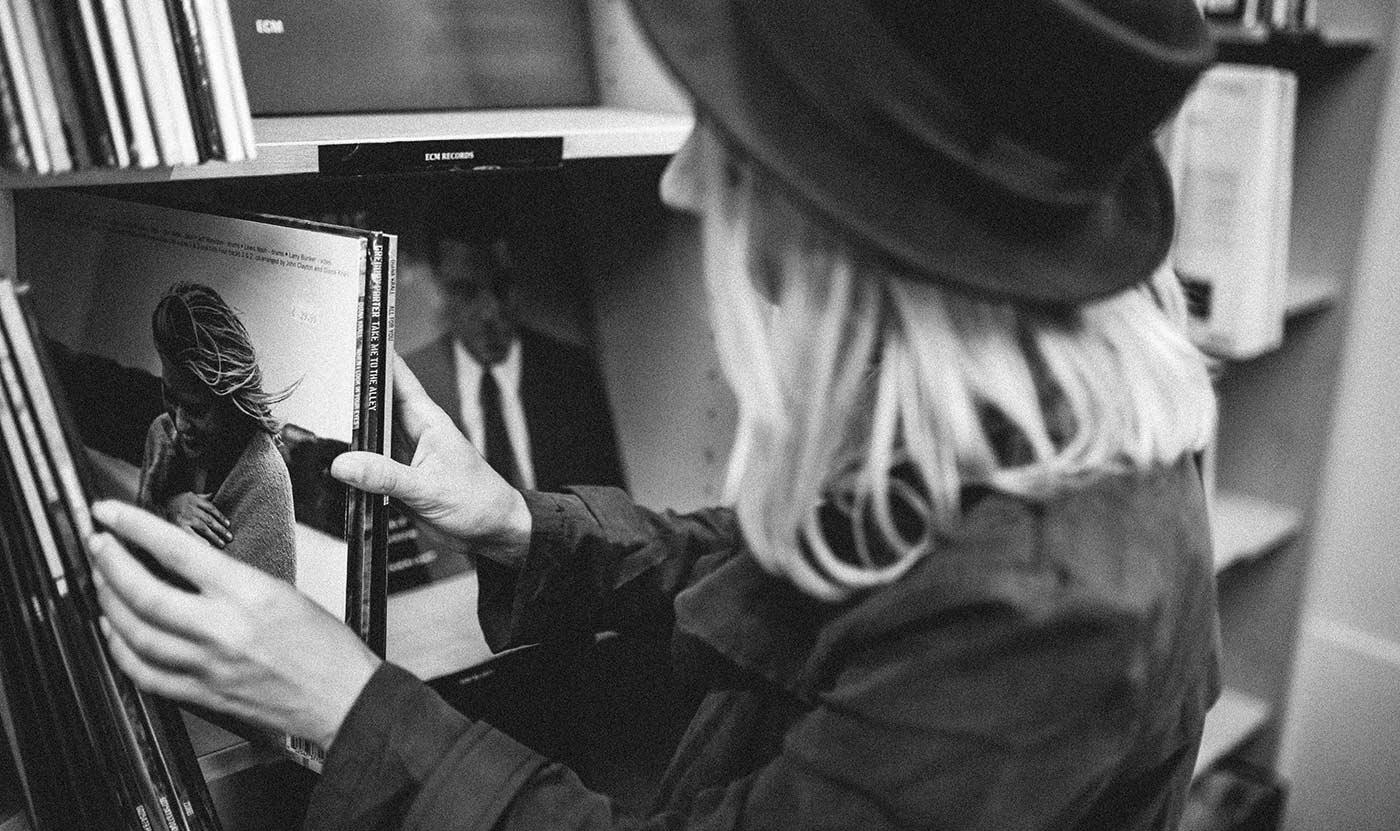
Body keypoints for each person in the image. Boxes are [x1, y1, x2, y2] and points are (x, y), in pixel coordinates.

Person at [86, 1, 1222, 829]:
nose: (678, 185)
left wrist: (349, 708)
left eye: (730, 139)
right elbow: (801, 572)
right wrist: (523, 527)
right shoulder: (1022, 436)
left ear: (851, 221)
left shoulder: (1038, 615)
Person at [404, 230, 626, 493]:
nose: (489, 311)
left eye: (501, 287)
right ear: (437, 290)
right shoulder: (411, 385)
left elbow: (610, 513)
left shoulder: (573, 374)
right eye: (466, 291)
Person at [136, 281, 297, 584]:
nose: (180, 423)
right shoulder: (161, 433)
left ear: (231, 403)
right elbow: (137, 538)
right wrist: (169, 509)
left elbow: (272, 616)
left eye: (197, 409)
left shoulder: (265, 479)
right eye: (170, 397)